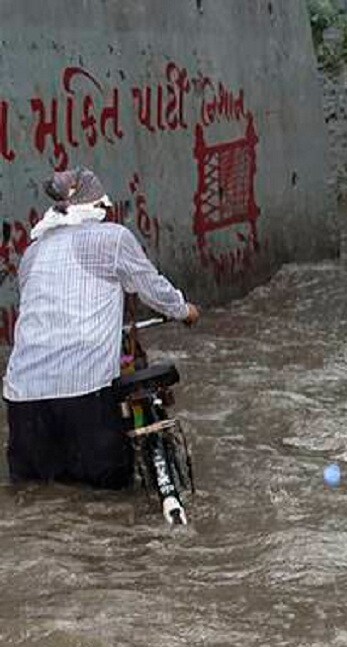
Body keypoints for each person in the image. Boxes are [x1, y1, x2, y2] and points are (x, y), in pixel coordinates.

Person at [3, 167, 200, 489]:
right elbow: (153, 289)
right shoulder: (112, 238)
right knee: (109, 498)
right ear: (99, 208)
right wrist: (185, 311)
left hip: (23, 396)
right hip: (85, 392)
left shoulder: (33, 253)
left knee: (37, 496)